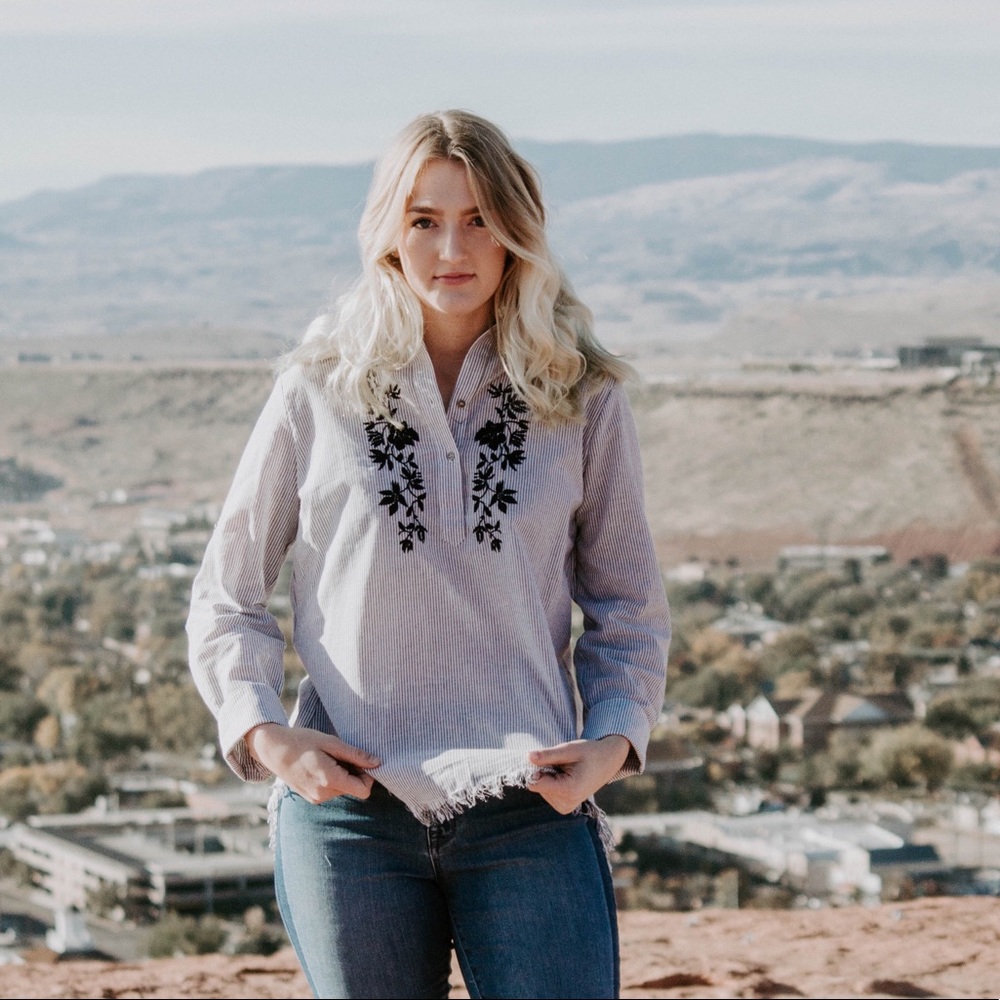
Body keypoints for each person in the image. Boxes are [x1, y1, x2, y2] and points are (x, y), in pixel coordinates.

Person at [187, 109, 669, 1000]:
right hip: (348, 813)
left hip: (529, 804)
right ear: (388, 233)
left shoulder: (582, 396)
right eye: (424, 220)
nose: (453, 248)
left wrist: (612, 744)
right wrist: (264, 735)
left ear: (518, 231)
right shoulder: (317, 388)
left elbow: (629, 604)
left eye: (480, 218)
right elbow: (228, 593)